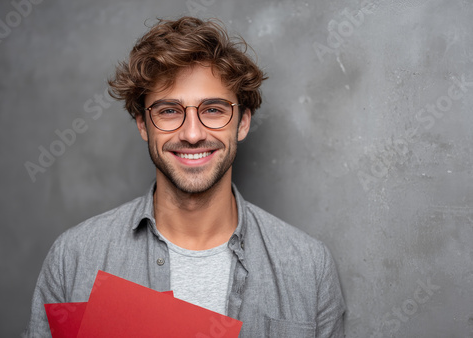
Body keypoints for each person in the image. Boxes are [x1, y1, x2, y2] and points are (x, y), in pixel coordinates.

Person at [24, 16, 345, 337]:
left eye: (214, 109)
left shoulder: (309, 268)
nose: (192, 134)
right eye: (168, 111)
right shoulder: (75, 257)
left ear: (243, 123)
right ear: (142, 125)